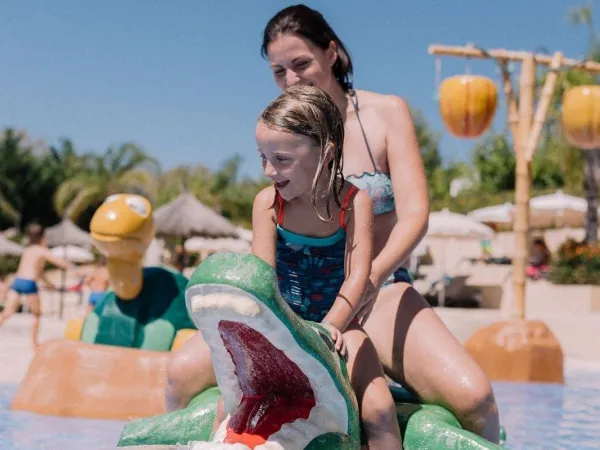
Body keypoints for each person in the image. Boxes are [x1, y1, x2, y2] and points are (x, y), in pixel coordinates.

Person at [166, 4, 500, 444]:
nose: (291, 79)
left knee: (474, 398)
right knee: (180, 374)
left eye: (301, 63)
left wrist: (371, 280)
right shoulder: (284, 134)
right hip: (294, 297)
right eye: (278, 71)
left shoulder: (385, 114)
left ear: (332, 52)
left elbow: (416, 215)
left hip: (378, 291)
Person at [0, 224, 78, 348]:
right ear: (43, 237)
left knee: (7, 312)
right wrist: (73, 267)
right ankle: (34, 343)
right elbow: (58, 261)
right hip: (29, 283)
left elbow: (38, 272)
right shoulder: (41, 250)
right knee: (37, 315)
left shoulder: (28, 250)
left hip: (18, 281)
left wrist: (49, 284)